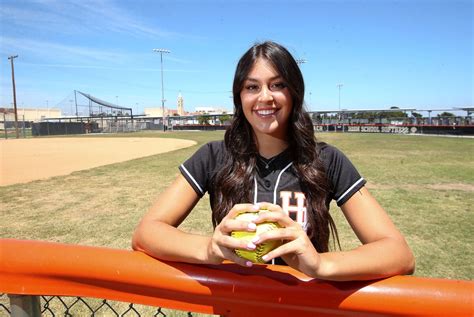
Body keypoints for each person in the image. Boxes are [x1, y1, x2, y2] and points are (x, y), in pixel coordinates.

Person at [132, 41, 415, 281]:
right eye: (252, 87)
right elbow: (146, 234)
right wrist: (210, 249)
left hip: (305, 308)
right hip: (236, 306)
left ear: (294, 93)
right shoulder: (213, 156)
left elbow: (398, 254)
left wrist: (321, 265)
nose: (265, 97)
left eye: (277, 85)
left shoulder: (327, 160)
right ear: (239, 97)